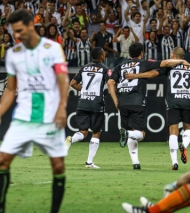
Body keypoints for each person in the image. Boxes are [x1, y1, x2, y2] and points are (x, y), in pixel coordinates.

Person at [0, 9, 69, 213]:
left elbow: (63, 81)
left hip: (50, 118)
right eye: (14, 32)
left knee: (58, 166)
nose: (17, 36)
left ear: (31, 25)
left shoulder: (53, 49)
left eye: (20, 30)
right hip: (23, 118)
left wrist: (61, 108)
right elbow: (11, 89)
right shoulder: (13, 54)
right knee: (2, 160)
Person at [125, 47, 190, 170]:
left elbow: (154, 74)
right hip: (187, 100)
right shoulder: (189, 66)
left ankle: (175, 162)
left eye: (171, 54)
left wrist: (136, 76)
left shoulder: (169, 66)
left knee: (173, 132)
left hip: (173, 100)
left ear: (173, 55)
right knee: (189, 128)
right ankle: (183, 145)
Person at [107, 42, 190, 170]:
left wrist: (115, 101)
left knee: (131, 131)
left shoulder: (120, 66)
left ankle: (135, 163)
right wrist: (181, 61)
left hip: (122, 101)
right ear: (141, 53)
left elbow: (110, 82)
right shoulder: (143, 63)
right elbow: (165, 63)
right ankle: (127, 134)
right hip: (137, 100)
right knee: (139, 134)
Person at [65, 47, 110, 169]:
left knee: (83, 132)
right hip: (96, 103)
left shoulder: (84, 68)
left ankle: (71, 139)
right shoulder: (104, 69)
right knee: (96, 132)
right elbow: (111, 82)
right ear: (101, 56)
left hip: (83, 102)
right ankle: (89, 162)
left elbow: (73, 83)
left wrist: (84, 90)